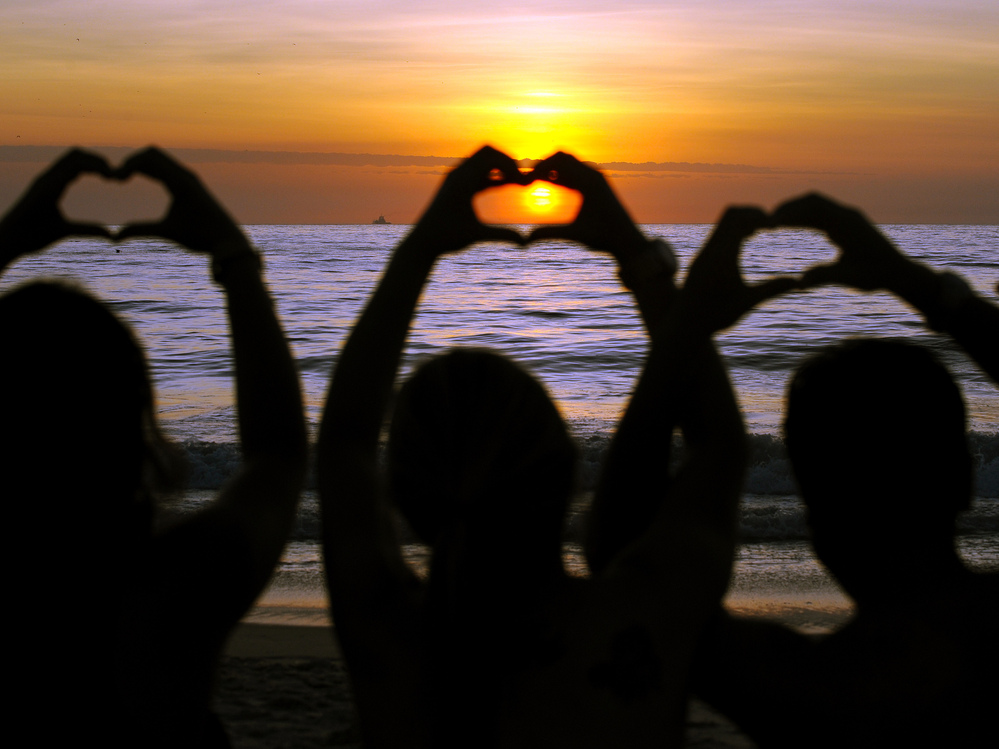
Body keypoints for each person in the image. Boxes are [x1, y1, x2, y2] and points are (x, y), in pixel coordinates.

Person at [317, 145, 793, 747]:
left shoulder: (387, 634)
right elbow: (717, 448)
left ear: (406, 493)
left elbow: (344, 443)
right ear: (571, 470)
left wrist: (419, 250)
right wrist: (635, 256)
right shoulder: (643, 616)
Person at [1, 148, 307, 747]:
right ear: (134, 429)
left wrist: (5, 241)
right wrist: (234, 258)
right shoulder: (169, 594)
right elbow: (278, 454)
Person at [691, 193, 999, 747]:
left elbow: (628, 557)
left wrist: (683, 322)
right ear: (964, 478)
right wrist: (915, 283)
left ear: (815, 517)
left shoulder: (810, 691)